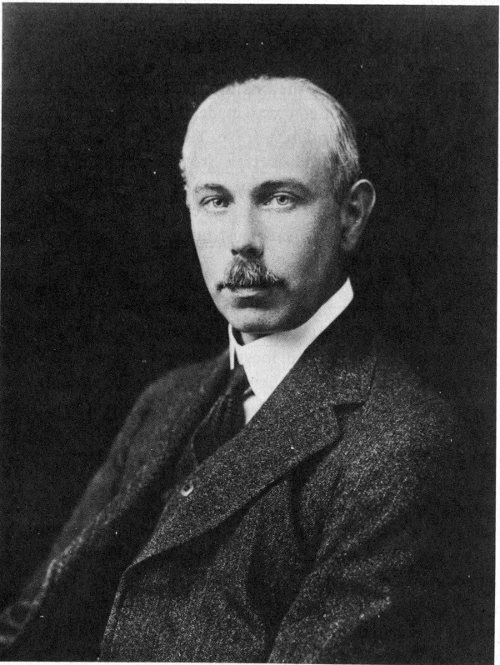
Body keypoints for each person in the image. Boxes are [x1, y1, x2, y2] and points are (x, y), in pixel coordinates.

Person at [0, 76, 467, 662]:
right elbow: (32, 622)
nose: (242, 240)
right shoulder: (167, 400)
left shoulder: (400, 446)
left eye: (279, 199)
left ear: (352, 215)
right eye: (216, 201)